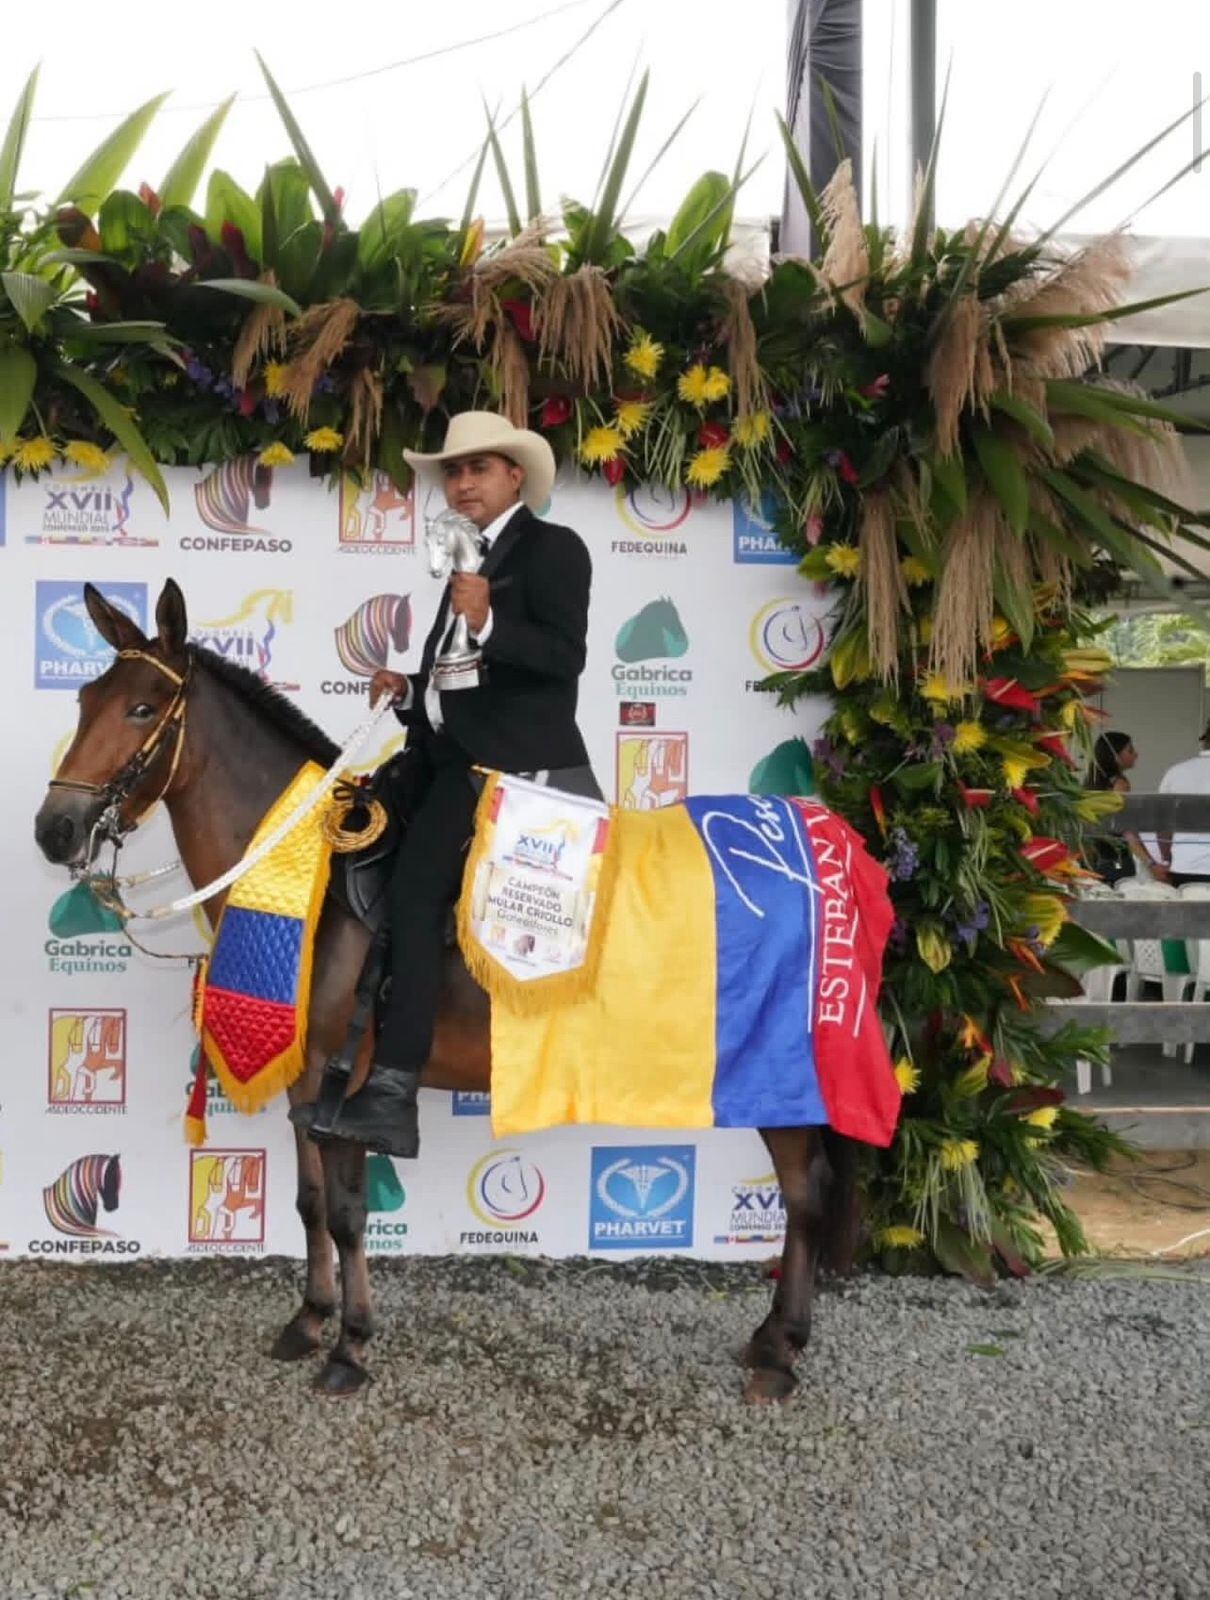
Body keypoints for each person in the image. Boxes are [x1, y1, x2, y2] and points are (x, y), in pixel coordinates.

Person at [292, 411, 599, 1157]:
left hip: (511, 772)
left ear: (515, 476)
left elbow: (564, 658)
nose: (463, 483)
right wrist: (409, 689)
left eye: (479, 468)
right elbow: (463, 682)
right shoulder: (469, 558)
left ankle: (393, 1090)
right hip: (447, 760)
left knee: (414, 894)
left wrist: (490, 621)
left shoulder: (555, 548)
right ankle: (352, 1048)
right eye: (454, 472)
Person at [1084, 730, 1169, 883]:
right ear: (1115, 756)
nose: (1136, 754)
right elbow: (1128, 831)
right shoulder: (1120, 784)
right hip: (1116, 860)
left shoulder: (1091, 782)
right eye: (1130, 750)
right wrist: (1151, 863)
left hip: (1092, 858)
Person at [1157, 721, 1210, 886]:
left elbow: (1162, 826)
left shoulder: (1176, 772)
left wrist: (1167, 858)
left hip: (1185, 864)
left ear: (1205, 740)